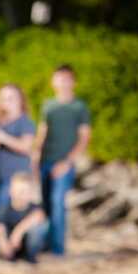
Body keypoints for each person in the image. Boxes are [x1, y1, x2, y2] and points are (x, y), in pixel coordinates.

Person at [35, 64, 92, 255]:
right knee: (45, 204)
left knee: (58, 202)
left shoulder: (79, 107)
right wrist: (35, 157)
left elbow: (84, 138)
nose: (63, 83)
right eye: (59, 79)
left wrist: (67, 162)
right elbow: (42, 133)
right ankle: (45, 243)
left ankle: (58, 249)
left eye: (67, 79)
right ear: (53, 82)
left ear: (74, 82)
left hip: (64, 163)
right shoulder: (48, 105)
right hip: (44, 161)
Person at [0, 84, 36, 217]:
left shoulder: (25, 122)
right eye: (4, 98)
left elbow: (26, 146)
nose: (8, 101)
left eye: (12, 98)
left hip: (16, 179)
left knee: (4, 212)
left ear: (21, 100)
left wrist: (2, 137)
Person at [0, 172, 49, 263]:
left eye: (24, 191)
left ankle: (30, 257)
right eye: (18, 191)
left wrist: (18, 232)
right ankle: (9, 256)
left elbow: (39, 216)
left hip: (27, 246)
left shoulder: (34, 208)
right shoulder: (4, 209)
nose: (21, 194)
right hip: (11, 246)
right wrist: (5, 246)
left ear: (30, 193)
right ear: (11, 191)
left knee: (40, 226)